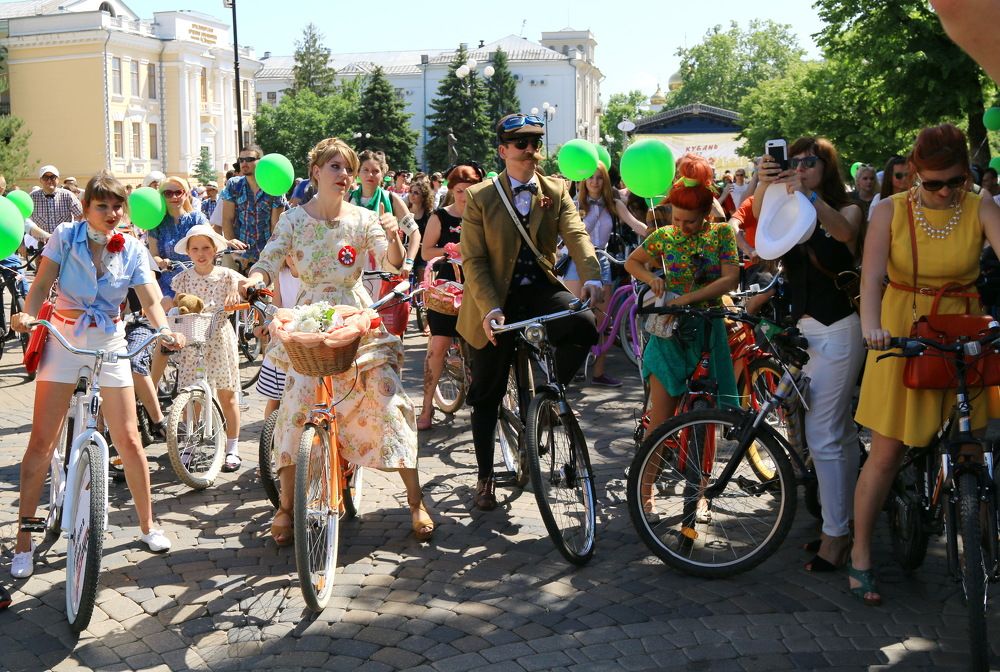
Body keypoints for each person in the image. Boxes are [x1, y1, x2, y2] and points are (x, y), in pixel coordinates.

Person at [240, 137, 434, 544]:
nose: (345, 175)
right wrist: (255, 280)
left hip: (355, 316)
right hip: (308, 320)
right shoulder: (293, 220)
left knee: (388, 399)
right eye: (335, 166)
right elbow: (270, 258)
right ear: (315, 172)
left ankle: (415, 501)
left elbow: (392, 265)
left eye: (349, 168)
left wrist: (393, 237)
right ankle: (285, 507)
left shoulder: (364, 218)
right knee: (295, 408)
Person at [9, 172, 185, 579]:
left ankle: (148, 524)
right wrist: (28, 316)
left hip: (109, 341)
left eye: (117, 206)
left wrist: (165, 330)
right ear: (86, 207)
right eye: (102, 205)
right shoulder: (65, 237)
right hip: (64, 338)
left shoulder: (133, 247)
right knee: (41, 441)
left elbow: (150, 300)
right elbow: (41, 285)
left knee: (129, 438)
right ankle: (24, 539)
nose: (111, 213)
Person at [853, 124, 1000, 606]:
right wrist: (872, 328)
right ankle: (860, 555)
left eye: (955, 181)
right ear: (915, 172)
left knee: (971, 446)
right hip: (903, 325)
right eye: (933, 182)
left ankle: (984, 543)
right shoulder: (890, 210)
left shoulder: (981, 206)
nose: (943, 192)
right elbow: (871, 279)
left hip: (963, 328)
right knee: (887, 451)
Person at [458, 112, 601, 511]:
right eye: (520, 143)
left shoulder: (555, 190)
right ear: (503, 150)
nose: (530, 150)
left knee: (584, 325)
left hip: (538, 290)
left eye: (536, 143)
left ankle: (550, 400)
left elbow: (577, 234)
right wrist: (490, 308)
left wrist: (592, 276)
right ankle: (485, 477)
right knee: (486, 394)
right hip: (493, 299)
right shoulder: (481, 196)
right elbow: (474, 260)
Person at [754, 137, 865, 576]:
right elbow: (758, 236)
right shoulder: (789, 202)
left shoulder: (847, 206)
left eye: (810, 161)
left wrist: (809, 196)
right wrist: (764, 185)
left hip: (839, 328)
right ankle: (845, 523)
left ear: (827, 167)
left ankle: (837, 537)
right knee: (837, 435)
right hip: (806, 332)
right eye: (794, 161)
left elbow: (845, 234)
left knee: (823, 434)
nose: (800, 167)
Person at [625, 153, 741, 432]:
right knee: (660, 422)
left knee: (712, 416)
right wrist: (651, 279)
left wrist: (687, 299)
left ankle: (701, 463)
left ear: (706, 214)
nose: (681, 227)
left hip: (708, 329)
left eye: (690, 221)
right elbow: (632, 262)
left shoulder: (722, 233)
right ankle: (649, 462)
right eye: (676, 219)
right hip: (670, 331)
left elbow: (731, 280)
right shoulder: (665, 235)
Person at [567, 161, 648, 387]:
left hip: (602, 260)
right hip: (576, 261)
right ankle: (569, 369)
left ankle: (599, 373)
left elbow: (635, 224)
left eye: (600, 177)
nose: (594, 182)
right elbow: (570, 234)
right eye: (590, 177)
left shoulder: (614, 203)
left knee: (602, 320)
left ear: (605, 180)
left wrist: (659, 234)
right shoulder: (574, 203)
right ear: (583, 180)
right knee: (573, 318)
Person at [171, 225, 245, 472]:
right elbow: (175, 303)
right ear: (188, 252)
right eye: (195, 249)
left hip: (220, 336)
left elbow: (245, 286)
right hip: (193, 339)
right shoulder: (183, 278)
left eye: (205, 248)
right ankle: (189, 444)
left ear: (215, 250)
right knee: (191, 396)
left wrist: (236, 292)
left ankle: (232, 447)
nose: (201, 253)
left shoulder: (227, 275)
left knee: (227, 394)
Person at [416, 162, 482, 430]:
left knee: (483, 346)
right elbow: (425, 252)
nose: (464, 196)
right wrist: (451, 250)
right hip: (447, 289)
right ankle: (426, 407)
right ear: (452, 191)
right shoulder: (440, 217)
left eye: (470, 190)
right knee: (438, 346)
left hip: (478, 288)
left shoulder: (484, 215)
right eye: (459, 191)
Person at [348, 150, 420, 297]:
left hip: (385, 268)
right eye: (365, 170)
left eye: (376, 171)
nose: (370, 175)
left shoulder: (391, 199)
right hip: (352, 266)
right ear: (358, 173)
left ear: (383, 174)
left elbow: (414, 233)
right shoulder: (348, 198)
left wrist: (409, 262)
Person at [220, 145, 287, 272]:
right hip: (239, 255)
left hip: (266, 254)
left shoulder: (274, 186)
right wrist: (234, 252)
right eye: (241, 160)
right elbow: (227, 220)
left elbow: (276, 226)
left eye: (249, 159)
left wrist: (272, 256)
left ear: (261, 162)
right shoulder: (234, 185)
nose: (244, 163)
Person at [146, 177, 209, 310]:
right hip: (169, 283)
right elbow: (153, 255)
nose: (174, 197)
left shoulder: (196, 218)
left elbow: (211, 238)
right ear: (162, 196)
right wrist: (162, 262)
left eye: (178, 192)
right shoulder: (156, 224)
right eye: (168, 193)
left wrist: (229, 242)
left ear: (186, 194)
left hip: (197, 280)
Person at [254, 251, 301, 421]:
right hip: (282, 336)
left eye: (296, 254)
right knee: (275, 395)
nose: (292, 259)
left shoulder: (310, 277)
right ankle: (268, 431)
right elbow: (276, 303)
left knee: (299, 391)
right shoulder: (281, 274)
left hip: (302, 335)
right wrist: (266, 323)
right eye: (288, 255)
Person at [29, 164, 83, 235]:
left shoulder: (68, 196)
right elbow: (26, 220)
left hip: (64, 240)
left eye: (53, 177)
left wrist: (73, 232)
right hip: (40, 240)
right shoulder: (32, 198)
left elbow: (80, 216)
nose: (49, 181)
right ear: (40, 180)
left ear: (58, 179)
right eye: (45, 177)